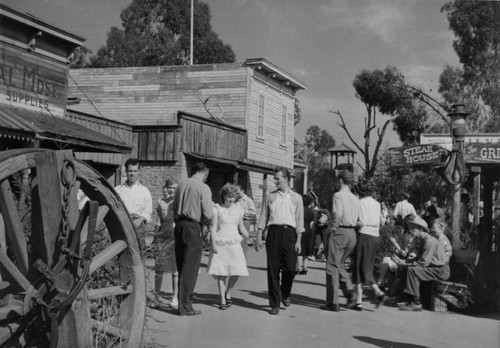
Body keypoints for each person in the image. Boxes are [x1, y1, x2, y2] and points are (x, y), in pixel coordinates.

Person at [255, 167, 304, 315]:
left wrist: (298, 241)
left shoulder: (296, 198)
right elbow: (263, 216)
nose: (275, 181)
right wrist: (258, 235)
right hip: (274, 233)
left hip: (290, 234)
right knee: (273, 270)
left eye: (277, 178)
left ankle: (285, 292)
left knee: (290, 268)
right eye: (274, 179)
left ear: (286, 179)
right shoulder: (270, 196)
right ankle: (274, 303)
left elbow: (299, 221)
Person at [173, 162, 214, 316]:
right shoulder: (203, 187)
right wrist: (206, 225)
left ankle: (181, 302)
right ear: (204, 172)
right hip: (193, 227)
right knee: (190, 268)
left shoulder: (181, 185)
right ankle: (185, 306)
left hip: (179, 226)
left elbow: (174, 206)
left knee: (182, 264)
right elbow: (208, 214)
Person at [394, 215, 450, 311]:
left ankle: (416, 302)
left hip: (440, 270)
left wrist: (406, 264)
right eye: (410, 227)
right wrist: (410, 257)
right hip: (432, 267)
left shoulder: (429, 241)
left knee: (412, 271)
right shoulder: (419, 239)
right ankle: (405, 298)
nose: (410, 230)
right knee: (406, 269)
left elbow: (423, 263)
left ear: (420, 229)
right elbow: (412, 251)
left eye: (413, 228)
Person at [321, 169, 359, 312]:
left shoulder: (338, 195)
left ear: (340, 181)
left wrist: (333, 228)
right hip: (352, 233)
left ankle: (332, 302)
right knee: (340, 264)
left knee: (331, 267)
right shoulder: (355, 198)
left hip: (341, 231)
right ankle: (349, 291)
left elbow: (337, 213)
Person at [207, 184, 249, 310]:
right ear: (223, 196)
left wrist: (249, 236)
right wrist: (213, 243)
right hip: (220, 242)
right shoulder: (217, 209)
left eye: (233, 197)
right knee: (221, 272)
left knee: (237, 271)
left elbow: (241, 227)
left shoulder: (238, 209)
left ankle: (228, 292)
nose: (231, 199)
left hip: (234, 242)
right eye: (228, 197)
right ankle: (222, 300)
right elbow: (213, 228)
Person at [352, 181, 386, 311]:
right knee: (367, 265)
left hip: (364, 235)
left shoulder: (360, 203)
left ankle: (365, 298)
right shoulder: (377, 204)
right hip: (374, 236)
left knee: (359, 267)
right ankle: (362, 299)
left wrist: (352, 223)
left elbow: (361, 222)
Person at [114, 158, 153, 250]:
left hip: (138, 226)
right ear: (125, 171)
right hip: (121, 224)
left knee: (139, 251)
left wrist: (140, 220)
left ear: (138, 172)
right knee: (120, 251)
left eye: (135, 171)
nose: (132, 174)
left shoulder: (144, 191)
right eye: (130, 171)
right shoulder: (117, 190)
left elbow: (148, 212)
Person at [153, 179, 178, 309]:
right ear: (166, 188)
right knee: (159, 267)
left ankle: (175, 298)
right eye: (170, 188)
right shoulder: (161, 202)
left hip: (175, 236)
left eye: (174, 188)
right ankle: (156, 296)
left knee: (175, 269)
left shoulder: (179, 202)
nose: (172, 190)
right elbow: (159, 220)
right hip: (163, 235)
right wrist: (155, 236)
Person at [297, 194, 315, 275]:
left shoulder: (299, 210)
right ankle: (305, 268)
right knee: (307, 251)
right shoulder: (311, 211)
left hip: (300, 230)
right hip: (308, 231)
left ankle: (299, 268)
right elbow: (311, 224)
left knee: (300, 250)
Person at [235, 185, 257, 253]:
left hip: (245, 221)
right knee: (236, 240)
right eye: (236, 193)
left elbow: (253, 212)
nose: (237, 195)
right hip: (236, 222)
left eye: (238, 193)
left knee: (243, 241)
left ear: (242, 191)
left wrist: (243, 212)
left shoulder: (248, 200)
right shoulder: (236, 200)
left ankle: (243, 258)